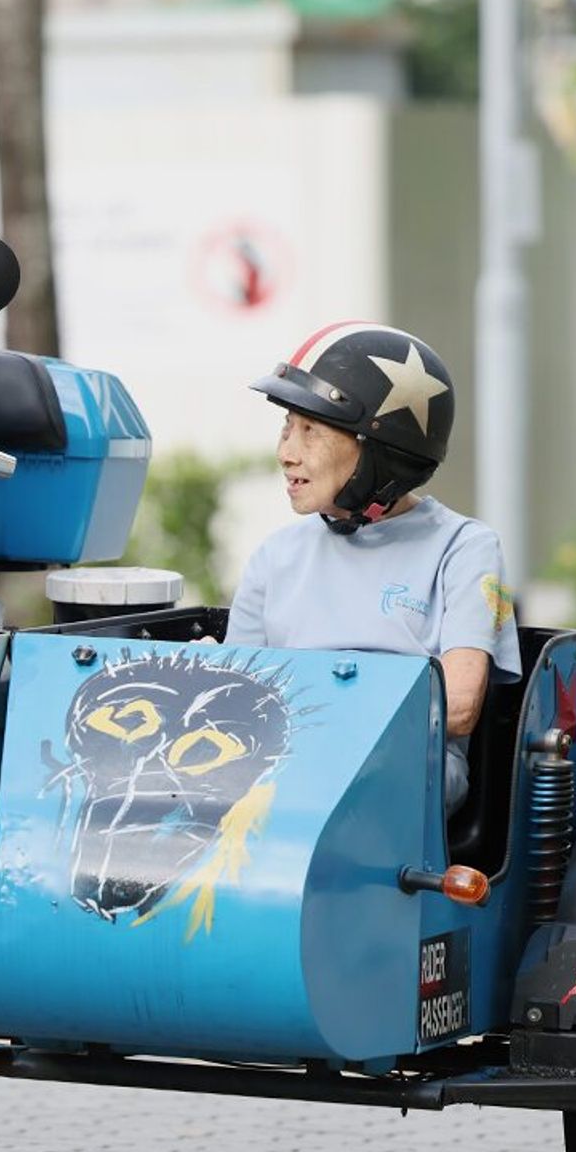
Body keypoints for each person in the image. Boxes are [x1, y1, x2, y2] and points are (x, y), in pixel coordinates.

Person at [224, 322, 521, 811]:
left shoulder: (463, 547)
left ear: (382, 451)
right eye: (286, 427)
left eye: (310, 431)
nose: (285, 452)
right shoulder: (274, 557)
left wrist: (297, 709)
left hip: (407, 770)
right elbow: (236, 701)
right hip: (282, 762)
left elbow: (461, 706)